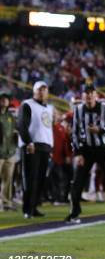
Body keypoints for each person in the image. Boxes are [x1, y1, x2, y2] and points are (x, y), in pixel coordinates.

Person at [65, 84, 105, 224]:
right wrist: (78, 153)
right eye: (86, 93)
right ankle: (74, 213)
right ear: (82, 96)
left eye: (91, 93)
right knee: (77, 181)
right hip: (86, 149)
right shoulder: (79, 110)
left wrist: (100, 130)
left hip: (103, 149)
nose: (88, 96)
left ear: (96, 95)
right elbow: (74, 133)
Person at [17, 81, 54, 219]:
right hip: (32, 146)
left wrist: (51, 146)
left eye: (44, 89)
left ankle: (34, 207)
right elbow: (21, 125)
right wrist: (28, 142)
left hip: (45, 147)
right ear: (34, 91)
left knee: (40, 179)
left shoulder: (49, 108)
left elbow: (47, 129)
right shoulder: (27, 104)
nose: (42, 92)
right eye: (39, 89)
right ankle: (27, 209)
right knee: (30, 178)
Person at [0, 92, 18, 211]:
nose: (4, 101)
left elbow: (14, 132)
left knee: (8, 179)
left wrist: (14, 147)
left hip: (9, 152)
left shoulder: (11, 117)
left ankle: (6, 203)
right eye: (2, 99)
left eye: (6, 99)